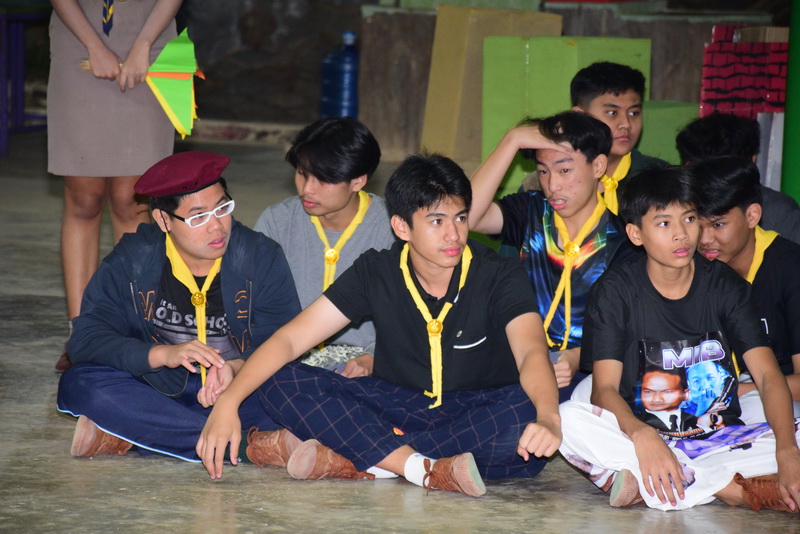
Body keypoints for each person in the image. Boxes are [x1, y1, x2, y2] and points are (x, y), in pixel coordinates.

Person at [197, 154, 562, 497]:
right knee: (278, 378)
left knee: (522, 417)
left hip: (475, 407)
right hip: (395, 403)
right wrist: (229, 401)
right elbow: (291, 339)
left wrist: (548, 419)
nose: (454, 235)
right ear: (402, 226)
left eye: (461, 218)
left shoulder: (500, 274)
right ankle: (417, 467)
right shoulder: (376, 270)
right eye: (437, 221)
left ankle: (359, 455)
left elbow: (531, 351)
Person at [558, 166, 800, 513]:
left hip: (719, 434)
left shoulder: (725, 286)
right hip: (644, 433)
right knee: (568, 419)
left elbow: (766, 375)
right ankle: (730, 488)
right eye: (663, 223)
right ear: (635, 234)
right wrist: (643, 435)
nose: (681, 235)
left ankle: (665, 481)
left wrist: (787, 452)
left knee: (791, 428)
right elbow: (604, 389)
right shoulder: (615, 292)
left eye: (689, 219)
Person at [57, 152, 301, 462]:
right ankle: (249, 447)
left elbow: (284, 339)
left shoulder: (260, 255)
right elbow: (85, 339)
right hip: (157, 387)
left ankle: (132, 434)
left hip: (238, 391)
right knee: (80, 383)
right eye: (198, 217)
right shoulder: (133, 259)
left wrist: (236, 368)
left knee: (302, 388)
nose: (217, 227)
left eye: (222, 208)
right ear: (163, 220)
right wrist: (161, 354)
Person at [49, 0, 183, 372]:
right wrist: (94, 45)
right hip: (79, 35)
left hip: (150, 32)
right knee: (85, 199)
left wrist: (143, 44)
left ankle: (133, 330)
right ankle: (83, 334)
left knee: (132, 200)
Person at [469, 111, 636, 401]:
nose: (552, 185)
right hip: (519, 359)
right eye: (543, 172)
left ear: (598, 166)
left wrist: (576, 356)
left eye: (565, 170)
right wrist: (512, 140)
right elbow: (468, 217)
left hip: (586, 372)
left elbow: (627, 330)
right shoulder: (530, 211)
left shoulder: (623, 240)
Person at [253, 117, 395, 375]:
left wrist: (374, 357)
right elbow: (251, 305)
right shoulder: (277, 221)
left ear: (358, 181)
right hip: (285, 355)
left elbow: (408, 316)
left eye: (323, 179)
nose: (307, 189)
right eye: (302, 173)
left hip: (363, 360)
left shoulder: (392, 231)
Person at [691, 156, 800, 423]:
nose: (705, 240)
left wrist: (734, 393)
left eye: (718, 224)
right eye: (696, 224)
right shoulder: (688, 264)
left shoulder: (790, 269)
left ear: (752, 216)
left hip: (775, 399)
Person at [676, 112, 800, 244]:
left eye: (719, 224)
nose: (706, 239)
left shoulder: (778, 210)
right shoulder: (780, 209)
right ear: (752, 159)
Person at [568, 61, 669, 215]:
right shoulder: (553, 180)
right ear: (579, 116)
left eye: (634, 113)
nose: (626, 124)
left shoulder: (663, 180)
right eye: (612, 113)